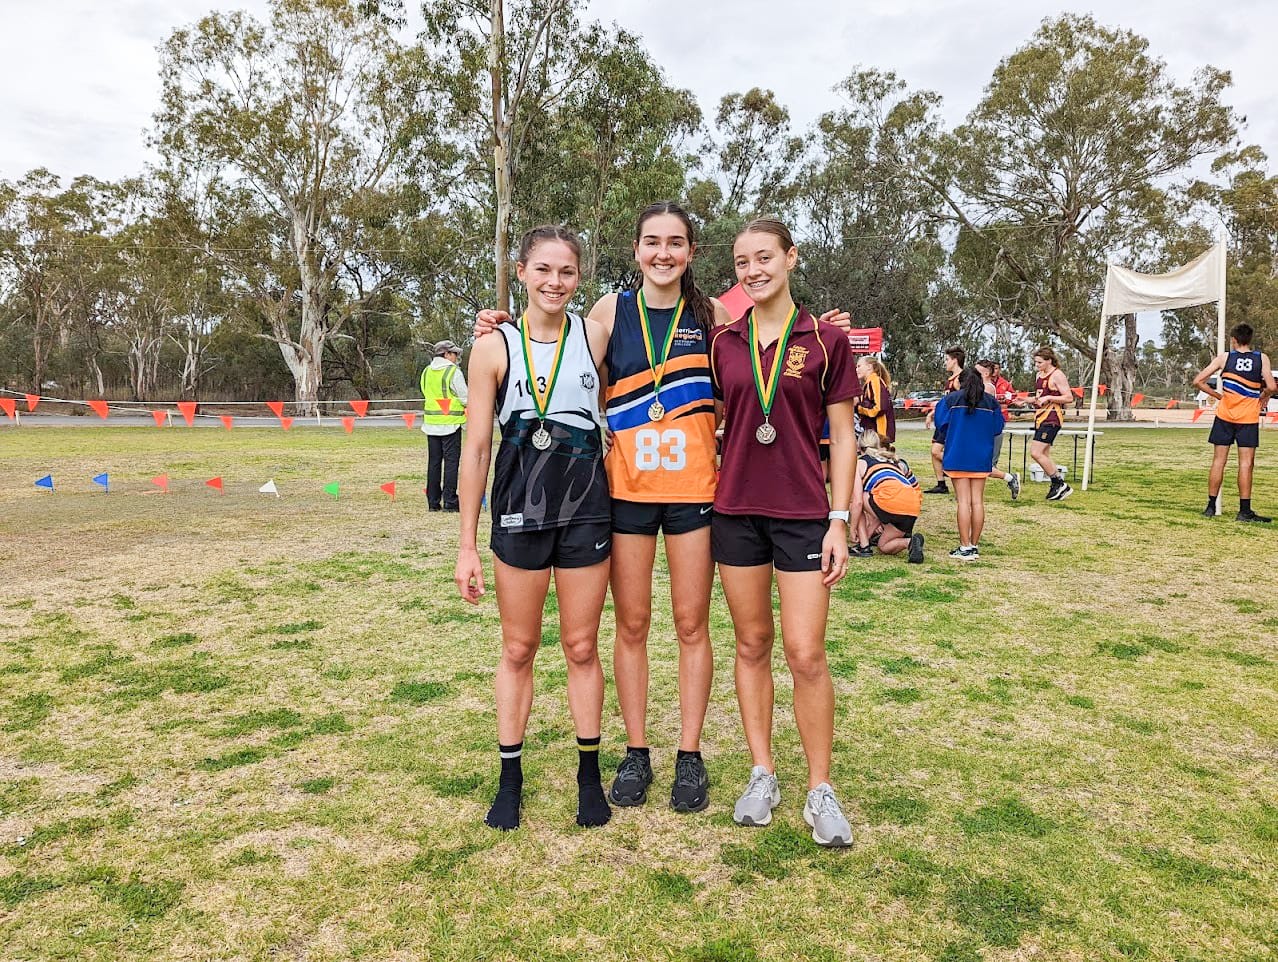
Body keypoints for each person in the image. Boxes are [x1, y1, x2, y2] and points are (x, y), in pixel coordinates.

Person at [473, 202, 850, 814]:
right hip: (623, 494)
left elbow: (768, 350)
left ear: (692, 253)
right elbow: (553, 343)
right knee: (632, 626)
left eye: (677, 243)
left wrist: (821, 334)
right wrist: (499, 325)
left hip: (698, 495)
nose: (664, 254)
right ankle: (638, 750)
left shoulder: (719, 317)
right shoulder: (606, 313)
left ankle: (690, 755)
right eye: (652, 242)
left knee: (692, 626)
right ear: (636, 249)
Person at [454, 226, 614, 831]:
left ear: (579, 279)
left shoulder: (595, 336)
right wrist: (467, 544)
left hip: (585, 512)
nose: (555, 282)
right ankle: (511, 778)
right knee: (519, 648)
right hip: (518, 514)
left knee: (580, 647)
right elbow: (473, 451)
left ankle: (588, 777)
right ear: (520, 272)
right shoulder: (493, 346)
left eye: (567, 272)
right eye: (543, 270)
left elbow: (683, 313)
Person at [709, 218, 858, 848]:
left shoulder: (825, 340)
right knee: (752, 645)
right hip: (735, 510)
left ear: (791, 258)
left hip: (802, 513)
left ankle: (819, 787)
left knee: (805, 652)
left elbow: (844, 435)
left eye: (764, 257)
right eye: (742, 262)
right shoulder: (722, 342)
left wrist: (841, 519)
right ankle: (762, 771)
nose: (753, 270)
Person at [1193, 323, 1275, 522]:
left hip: (1224, 417)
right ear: (1250, 339)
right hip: (1248, 418)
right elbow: (1272, 386)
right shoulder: (1261, 358)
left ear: (1233, 340)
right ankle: (1244, 511)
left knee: (1218, 462)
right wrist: (1263, 396)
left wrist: (1217, 395)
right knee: (1246, 464)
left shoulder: (1225, 357)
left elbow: (1198, 381)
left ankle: (1211, 507)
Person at [932, 367, 1005, 560]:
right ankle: (974, 544)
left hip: (957, 454)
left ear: (961, 381)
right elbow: (998, 427)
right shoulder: (991, 402)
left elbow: (941, 423)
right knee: (977, 502)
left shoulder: (951, 400)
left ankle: (965, 547)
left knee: (963, 502)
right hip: (981, 457)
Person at [849, 429, 924, 563]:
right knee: (883, 546)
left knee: (856, 498)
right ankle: (910, 542)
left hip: (889, 503)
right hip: (911, 507)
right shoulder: (892, 461)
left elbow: (858, 503)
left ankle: (863, 546)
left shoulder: (860, 463)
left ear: (859, 447)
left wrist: (852, 529)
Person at [421, 340, 468, 511]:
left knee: (433, 463)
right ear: (446, 354)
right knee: (451, 463)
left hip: (431, 423)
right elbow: (465, 397)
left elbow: (426, 393)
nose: (456, 357)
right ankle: (450, 501)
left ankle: (433, 502)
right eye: (454, 353)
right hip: (451, 424)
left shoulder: (426, 371)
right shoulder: (453, 372)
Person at [1030, 347, 1074, 501]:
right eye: (1035, 362)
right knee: (1044, 455)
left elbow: (1068, 397)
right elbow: (1039, 398)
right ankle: (1057, 486)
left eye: (1040, 362)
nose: (1037, 365)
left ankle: (1059, 482)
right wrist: (1024, 400)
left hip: (1052, 418)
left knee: (1036, 453)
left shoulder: (1057, 375)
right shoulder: (1039, 375)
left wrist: (1049, 398)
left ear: (1049, 361)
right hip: (1040, 417)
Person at [975, 358, 1021, 499]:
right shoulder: (979, 386)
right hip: (984, 430)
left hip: (991, 430)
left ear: (987, 373)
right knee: (979, 465)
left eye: (978, 371)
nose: (974, 373)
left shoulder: (988, 387)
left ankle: (1010, 478)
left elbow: (983, 410)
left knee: (986, 466)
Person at [924, 347, 965, 494]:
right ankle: (941, 484)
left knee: (937, 451)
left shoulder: (960, 379)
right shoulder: (950, 379)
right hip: (943, 420)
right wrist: (933, 413)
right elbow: (946, 402)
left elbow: (962, 401)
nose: (945, 363)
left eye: (947, 359)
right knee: (933, 449)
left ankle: (958, 465)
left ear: (955, 360)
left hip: (952, 422)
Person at [853, 355, 895, 443]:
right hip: (871, 432)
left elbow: (879, 408)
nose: (856, 370)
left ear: (869, 367)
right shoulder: (868, 384)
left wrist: (858, 406)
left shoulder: (875, 381)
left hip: (879, 433)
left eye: (859, 366)